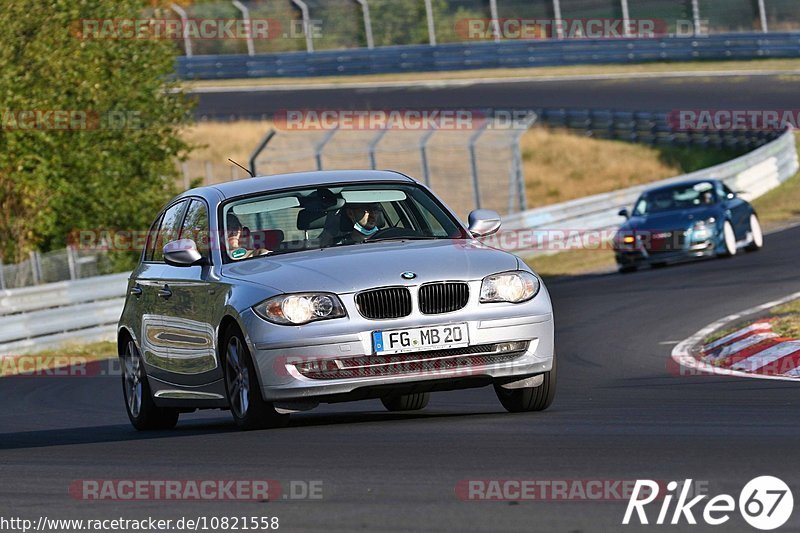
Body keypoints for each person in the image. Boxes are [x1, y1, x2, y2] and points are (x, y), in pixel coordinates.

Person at [319, 203, 383, 247]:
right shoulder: (338, 246)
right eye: (366, 211)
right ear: (350, 213)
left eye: (375, 209)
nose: (373, 215)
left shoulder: (389, 237)